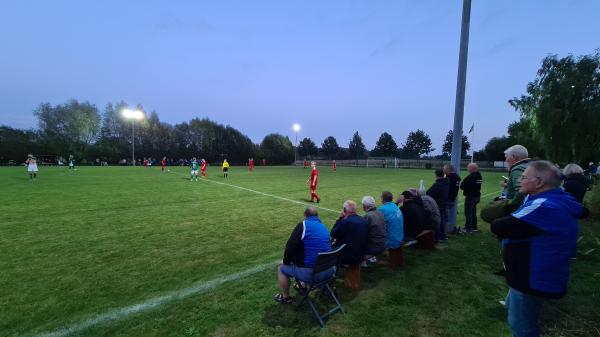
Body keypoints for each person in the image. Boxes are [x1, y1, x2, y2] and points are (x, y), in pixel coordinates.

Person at [491, 161, 582, 337]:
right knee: (517, 315)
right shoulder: (556, 199)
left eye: (524, 177)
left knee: (523, 327)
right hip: (537, 272)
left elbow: (499, 226)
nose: (520, 181)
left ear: (539, 182)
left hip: (532, 276)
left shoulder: (544, 205)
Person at [275, 206, 333, 304]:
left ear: (305, 215)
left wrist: (286, 262)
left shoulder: (303, 225)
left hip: (314, 274)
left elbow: (290, 247)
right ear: (317, 216)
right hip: (330, 271)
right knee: (308, 256)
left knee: (281, 268)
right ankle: (303, 286)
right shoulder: (324, 227)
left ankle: (285, 297)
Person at [482, 145, 531, 223]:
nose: (506, 160)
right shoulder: (532, 165)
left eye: (506, 157)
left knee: (488, 215)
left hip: (521, 213)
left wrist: (511, 208)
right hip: (533, 209)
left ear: (514, 157)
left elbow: (522, 190)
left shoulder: (518, 168)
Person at [331, 200, 369, 266]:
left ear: (345, 210)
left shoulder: (345, 222)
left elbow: (333, 234)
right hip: (361, 253)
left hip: (348, 255)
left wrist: (339, 219)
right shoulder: (364, 220)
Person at [361, 196, 386, 263]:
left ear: (364, 206)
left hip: (374, 246)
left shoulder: (367, 216)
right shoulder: (380, 213)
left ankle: (363, 260)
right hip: (383, 243)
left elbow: (361, 234)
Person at [427, 169, 450, 241]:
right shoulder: (446, 182)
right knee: (444, 220)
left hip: (438, 204)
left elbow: (429, 192)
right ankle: (444, 235)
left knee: (438, 220)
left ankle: (439, 236)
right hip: (444, 203)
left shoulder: (438, 184)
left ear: (436, 175)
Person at [460, 163, 483, 233]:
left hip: (470, 197)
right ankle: (474, 226)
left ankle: (468, 228)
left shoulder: (470, 177)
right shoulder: (479, 175)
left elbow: (462, 186)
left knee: (468, 213)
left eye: (468, 168)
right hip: (477, 196)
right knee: (473, 212)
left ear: (472, 168)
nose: (467, 169)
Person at [443, 164, 461, 234]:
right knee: (446, 216)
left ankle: (445, 232)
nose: (443, 170)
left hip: (447, 199)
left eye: (444, 169)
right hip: (453, 198)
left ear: (448, 170)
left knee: (444, 216)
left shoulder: (448, 178)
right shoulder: (457, 177)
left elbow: (445, 189)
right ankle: (447, 230)